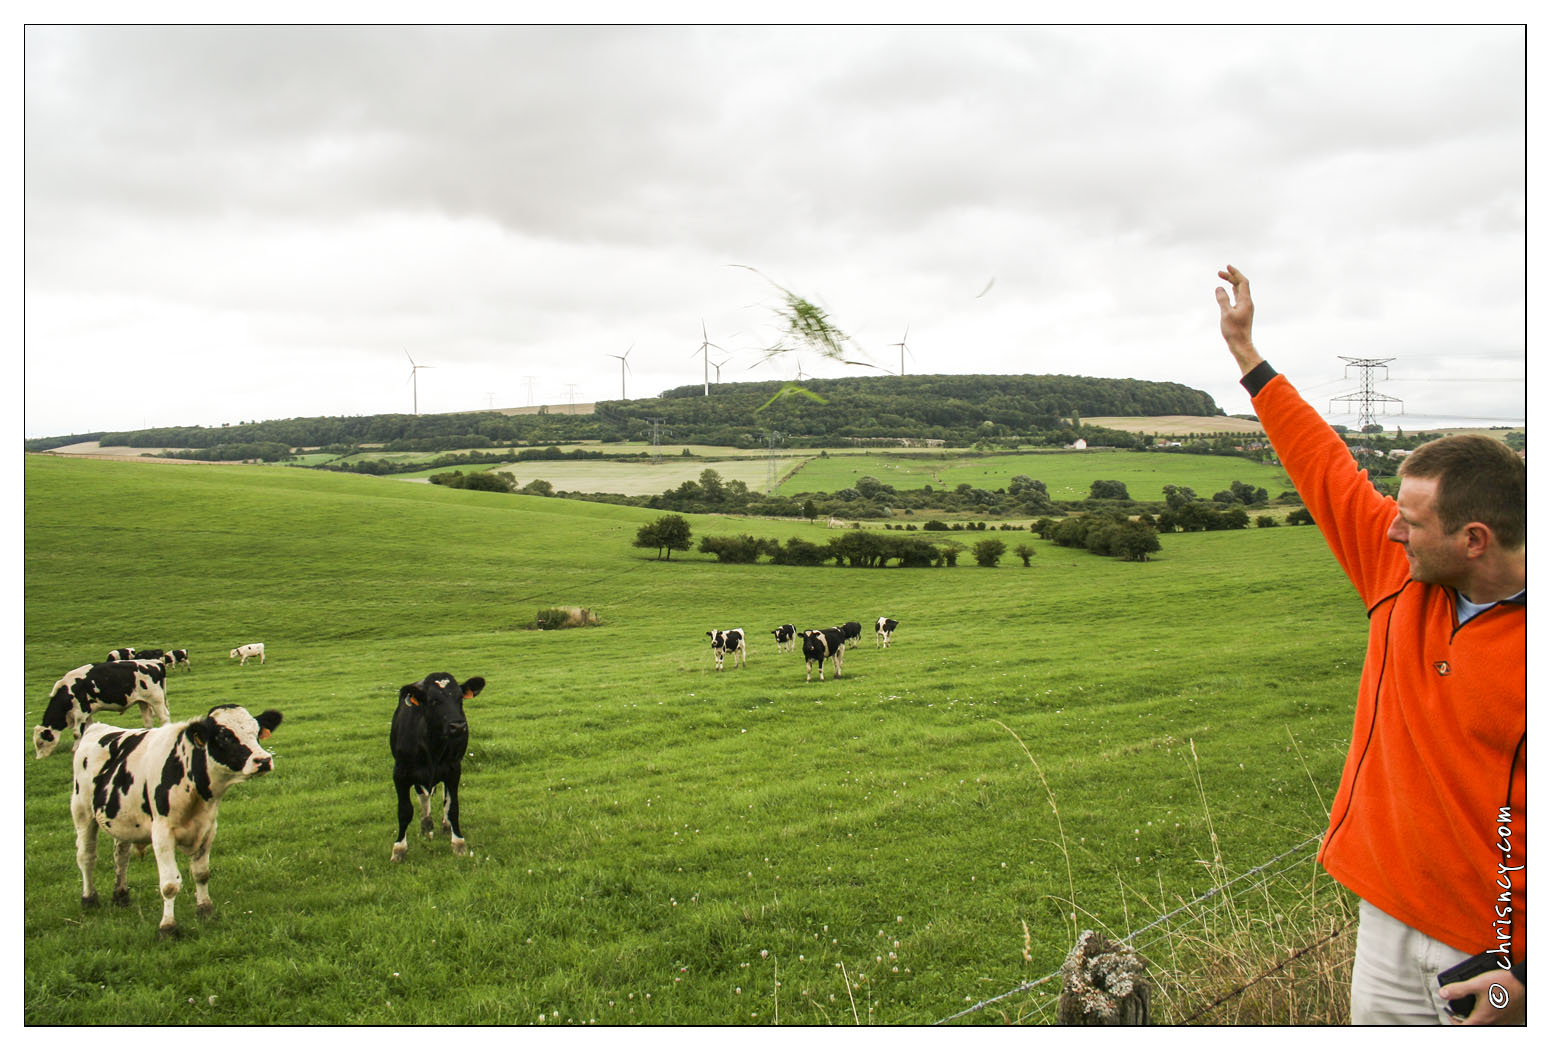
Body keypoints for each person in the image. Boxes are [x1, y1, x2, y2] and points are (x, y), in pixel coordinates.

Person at [1214, 265, 1526, 1025]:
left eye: (1410, 521)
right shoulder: (1399, 570)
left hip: (1491, 956)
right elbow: (1322, 465)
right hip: (1384, 917)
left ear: (1472, 538)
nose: (1387, 528)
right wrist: (1248, 355)